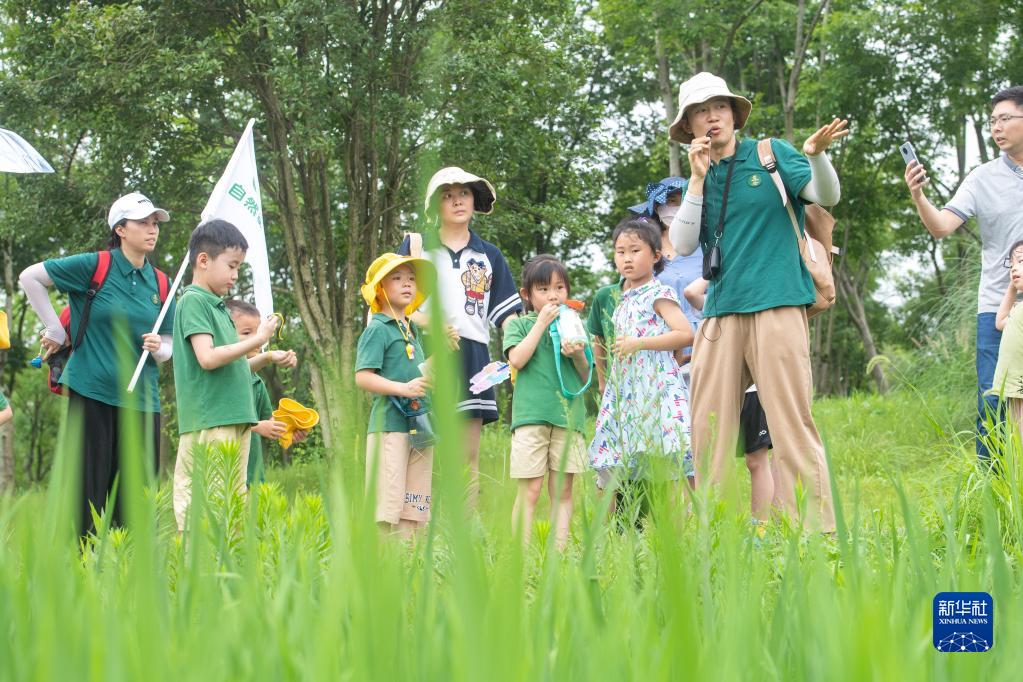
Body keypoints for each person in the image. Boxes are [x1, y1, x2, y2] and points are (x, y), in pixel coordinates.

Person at [667, 71, 845, 532]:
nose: (712, 117)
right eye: (701, 111)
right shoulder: (700, 178)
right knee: (706, 429)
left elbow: (825, 195)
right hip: (721, 312)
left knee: (790, 422)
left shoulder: (769, 154)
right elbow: (683, 245)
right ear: (688, 126)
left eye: (720, 107)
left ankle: (817, 533)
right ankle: (707, 532)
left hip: (779, 303)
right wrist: (696, 180)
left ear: (733, 114)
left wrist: (815, 156)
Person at [20, 192, 175, 536]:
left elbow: (169, 346)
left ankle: (127, 575)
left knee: (136, 498)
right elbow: (30, 277)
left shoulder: (162, 283)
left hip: (142, 400)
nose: (152, 230)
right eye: (143, 223)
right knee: (86, 495)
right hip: (93, 393)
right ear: (121, 229)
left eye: (155, 223)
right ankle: (82, 573)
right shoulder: (96, 265)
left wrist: (159, 347)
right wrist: (56, 329)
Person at [903, 85, 1023, 461]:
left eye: (1005, 118)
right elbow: (941, 226)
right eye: (992, 121)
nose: (996, 127)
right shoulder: (982, 178)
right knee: (993, 404)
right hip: (998, 311)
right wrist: (919, 196)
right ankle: (992, 500)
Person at [398, 167, 522, 507]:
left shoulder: (490, 255)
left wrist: (519, 353)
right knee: (422, 449)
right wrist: (429, 323)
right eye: (447, 195)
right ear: (434, 205)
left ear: (474, 200)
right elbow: (389, 302)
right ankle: (418, 531)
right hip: (424, 353)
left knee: (468, 456)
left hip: (475, 359)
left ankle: (465, 536)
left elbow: (507, 317)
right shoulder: (416, 246)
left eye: (463, 193)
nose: (456, 201)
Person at [172, 220, 282, 532]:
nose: (235, 275)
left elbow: (233, 367)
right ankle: (200, 573)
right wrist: (258, 339)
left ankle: (228, 574)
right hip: (211, 420)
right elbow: (207, 358)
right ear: (203, 260)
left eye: (239, 268)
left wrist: (266, 355)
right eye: (231, 266)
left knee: (234, 505)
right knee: (207, 505)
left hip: (234, 418)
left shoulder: (219, 307)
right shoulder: (193, 300)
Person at [589, 218, 693, 513]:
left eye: (635, 251)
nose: (627, 258)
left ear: (656, 256)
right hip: (626, 393)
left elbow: (685, 333)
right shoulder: (621, 298)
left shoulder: (657, 293)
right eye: (620, 252)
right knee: (612, 462)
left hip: (655, 394)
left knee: (666, 464)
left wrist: (641, 343)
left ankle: (676, 540)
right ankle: (609, 539)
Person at [504, 255, 591, 550]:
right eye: (543, 289)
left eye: (559, 287)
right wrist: (540, 324)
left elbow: (586, 374)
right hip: (531, 418)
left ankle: (559, 553)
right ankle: (522, 555)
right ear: (526, 295)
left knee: (563, 490)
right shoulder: (518, 325)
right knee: (530, 489)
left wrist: (578, 354)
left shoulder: (574, 323)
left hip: (568, 418)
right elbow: (516, 359)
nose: (553, 295)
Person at [355, 253, 436, 539]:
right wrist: (403, 389)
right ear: (380, 288)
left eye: (412, 279)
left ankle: (410, 565)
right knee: (388, 504)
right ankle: (384, 571)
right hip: (390, 427)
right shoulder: (377, 329)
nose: (407, 284)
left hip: (421, 427)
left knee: (416, 502)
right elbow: (363, 377)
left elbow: (415, 375)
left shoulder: (412, 332)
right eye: (397, 278)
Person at [685, 277, 773, 523]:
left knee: (755, 459)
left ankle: (761, 527)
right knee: (722, 458)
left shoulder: (759, 298)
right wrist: (716, 271)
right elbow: (691, 292)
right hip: (723, 387)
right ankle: (727, 526)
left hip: (754, 388)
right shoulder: (717, 303)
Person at [225, 299, 300, 485]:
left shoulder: (257, 381)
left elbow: (270, 420)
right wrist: (258, 427)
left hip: (252, 473)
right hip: (227, 473)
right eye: (246, 333)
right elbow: (221, 421)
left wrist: (290, 429)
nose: (258, 339)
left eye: (259, 333)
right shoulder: (222, 378)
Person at [989, 241, 1023, 442]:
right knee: (1017, 439)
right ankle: (1017, 473)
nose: (1015, 268)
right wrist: (1012, 287)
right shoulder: (1018, 307)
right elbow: (1000, 321)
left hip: (1020, 383)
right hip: (1014, 386)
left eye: (1021, 261)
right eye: (1011, 266)